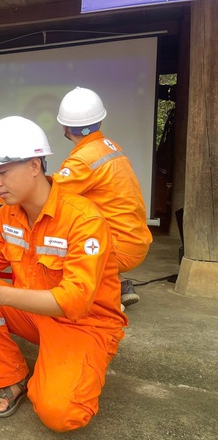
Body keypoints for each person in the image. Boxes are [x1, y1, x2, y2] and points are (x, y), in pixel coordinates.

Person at [0, 116, 126, 432]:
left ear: (34, 165)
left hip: (84, 325)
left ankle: (73, 365)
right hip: (34, 315)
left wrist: (2, 294)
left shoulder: (83, 220)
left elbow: (75, 299)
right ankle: (11, 376)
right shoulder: (8, 213)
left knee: (59, 415)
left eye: (3, 172)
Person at [53, 87, 152, 308]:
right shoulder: (110, 146)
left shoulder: (82, 160)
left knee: (51, 238)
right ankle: (118, 282)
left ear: (65, 126)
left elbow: (46, 194)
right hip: (135, 240)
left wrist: (3, 196)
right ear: (100, 122)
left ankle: (107, 300)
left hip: (116, 248)